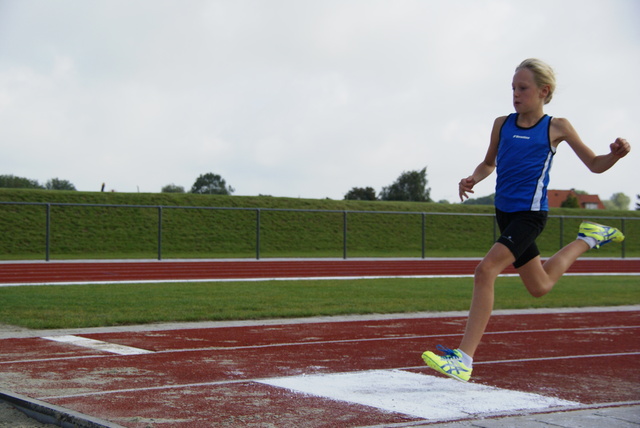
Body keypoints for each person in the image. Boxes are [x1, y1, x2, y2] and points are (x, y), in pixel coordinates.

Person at [422, 58, 631, 382]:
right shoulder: (502, 123)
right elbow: (488, 163)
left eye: (523, 88)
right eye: (513, 89)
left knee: (485, 270)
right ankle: (590, 237)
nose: (515, 95)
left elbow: (594, 164)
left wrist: (615, 155)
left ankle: (463, 359)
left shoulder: (556, 127)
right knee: (540, 285)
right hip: (504, 214)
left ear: (543, 91)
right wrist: (473, 178)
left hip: (530, 216)